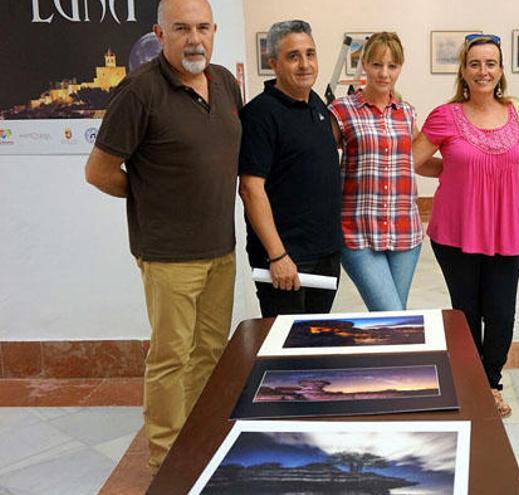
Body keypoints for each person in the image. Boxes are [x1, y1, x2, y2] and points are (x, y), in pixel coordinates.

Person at [83, 0, 241, 469]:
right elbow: (99, 172)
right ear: (160, 33)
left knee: (210, 351)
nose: (195, 38)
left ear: (213, 30)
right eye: (182, 29)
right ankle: (167, 459)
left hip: (221, 248)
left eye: (202, 28)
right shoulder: (139, 91)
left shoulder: (225, 83)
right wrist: (149, 196)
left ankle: (199, 437)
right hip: (169, 255)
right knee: (171, 357)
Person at [413, 33, 519, 418]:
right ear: (464, 71)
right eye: (475, 64)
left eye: (491, 63)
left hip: (504, 230)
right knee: (466, 311)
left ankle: (491, 381)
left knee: (502, 312)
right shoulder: (445, 115)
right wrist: (451, 171)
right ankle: (475, 385)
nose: (483, 70)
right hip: (455, 232)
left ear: (501, 70)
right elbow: (415, 159)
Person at [238, 20, 342, 317]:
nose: (305, 64)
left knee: (318, 340)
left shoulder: (317, 106)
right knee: (288, 351)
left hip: (326, 254)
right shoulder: (260, 114)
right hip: (286, 260)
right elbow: (250, 188)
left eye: (310, 54)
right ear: (274, 63)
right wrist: (278, 255)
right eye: (293, 56)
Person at [327, 32, 422, 311]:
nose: (384, 73)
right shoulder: (342, 110)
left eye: (392, 66)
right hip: (357, 233)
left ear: (400, 68)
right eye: (377, 64)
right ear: (365, 64)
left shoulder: (407, 112)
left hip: (405, 232)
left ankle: (382, 356)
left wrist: (462, 168)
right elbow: (321, 163)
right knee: (391, 314)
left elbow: (419, 159)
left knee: (393, 320)